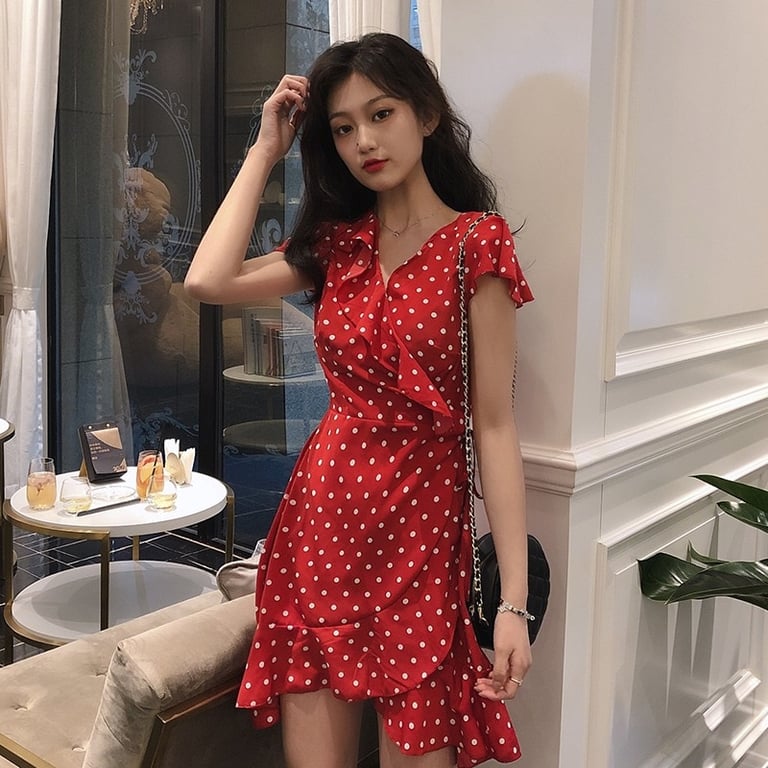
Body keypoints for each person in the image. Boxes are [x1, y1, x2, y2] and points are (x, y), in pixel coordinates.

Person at [185, 32, 534, 768]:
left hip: (420, 535)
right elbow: (206, 281)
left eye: (381, 114)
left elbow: (497, 428)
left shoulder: (478, 243)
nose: (364, 142)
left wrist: (512, 604)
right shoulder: (337, 245)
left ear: (426, 115)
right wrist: (265, 150)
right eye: (343, 128)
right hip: (321, 529)